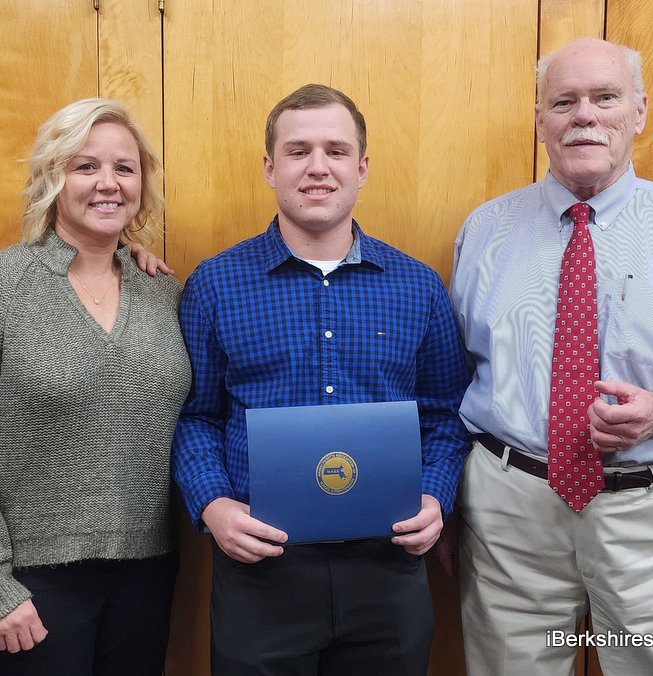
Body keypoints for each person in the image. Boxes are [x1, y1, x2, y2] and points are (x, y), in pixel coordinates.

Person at [451, 37, 653, 675]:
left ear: (639, 112)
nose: (585, 115)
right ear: (540, 120)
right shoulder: (484, 232)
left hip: (648, 519)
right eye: (564, 101)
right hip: (507, 521)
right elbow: (452, 376)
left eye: (605, 97)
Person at [171, 83, 472, 675]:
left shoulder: (417, 286)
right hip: (262, 571)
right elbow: (195, 416)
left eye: (336, 151)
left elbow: (445, 415)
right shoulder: (214, 284)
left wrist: (436, 496)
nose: (317, 167)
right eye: (298, 151)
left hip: (388, 568)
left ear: (362, 168)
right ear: (270, 168)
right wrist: (213, 505)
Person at [0, 97, 191, 676]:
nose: (108, 183)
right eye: (85, 166)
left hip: (146, 575)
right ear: (52, 177)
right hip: (27, 586)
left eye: (124, 168)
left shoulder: (164, 293)